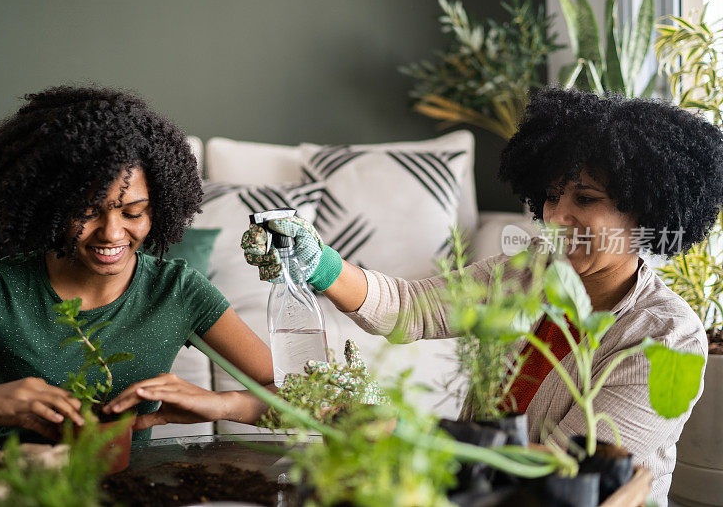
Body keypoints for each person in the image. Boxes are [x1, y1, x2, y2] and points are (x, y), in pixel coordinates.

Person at [241, 89, 723, 505]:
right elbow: (412, 307)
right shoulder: (531, 271)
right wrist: (318, 262)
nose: (556, 218)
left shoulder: (667, 335)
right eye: (552, 197)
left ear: (647, 208)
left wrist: (403, 436)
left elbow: (565, 468)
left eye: (586, 198)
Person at [0, 86, 275, 445]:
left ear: (158, 208)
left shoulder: (177, 291)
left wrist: (221, 405)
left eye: (133, 212)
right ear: (51, 207)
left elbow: (305, 402)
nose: (111, 233)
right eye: (86, 212)